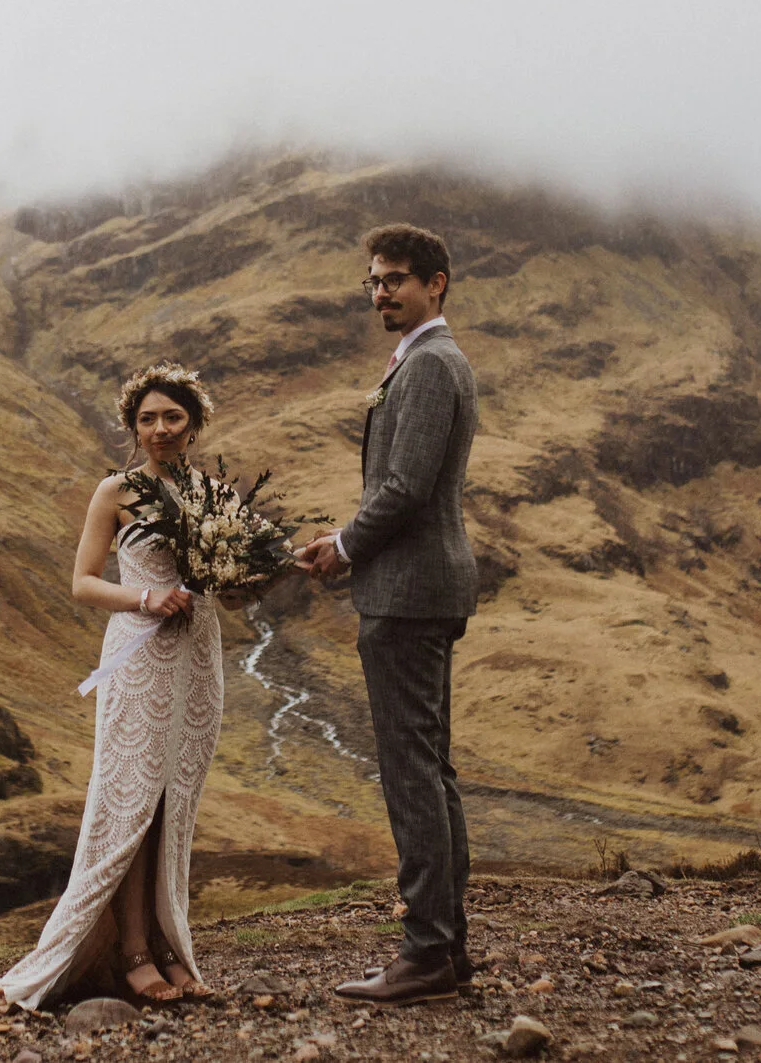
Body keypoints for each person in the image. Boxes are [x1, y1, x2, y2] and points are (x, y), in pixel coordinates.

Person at [0, 363, 227, 1017]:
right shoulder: (115, 491)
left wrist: (246, 576)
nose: (159, 428)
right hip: (139, 654)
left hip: (197, 658)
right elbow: (83, 581)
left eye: (172, 417)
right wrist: (146, 594)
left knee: (173, 803)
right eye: (147, 417)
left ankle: (170, 942)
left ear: (193, 423)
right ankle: (132, 953)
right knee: (131, 805)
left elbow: (224, 585)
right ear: (133, 425)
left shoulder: (212, 494)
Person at [295, 222, 480, 1006]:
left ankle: (427, 953)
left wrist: (343, 544)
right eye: (373, 279)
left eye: (396, 278)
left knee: (413, 775)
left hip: (407, 594)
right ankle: (445, 948)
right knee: (431, 772)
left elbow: (403, 490)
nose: (381, 292)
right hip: (414, 589)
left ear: (436, 283)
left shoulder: (433, 364)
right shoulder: (420, 360)